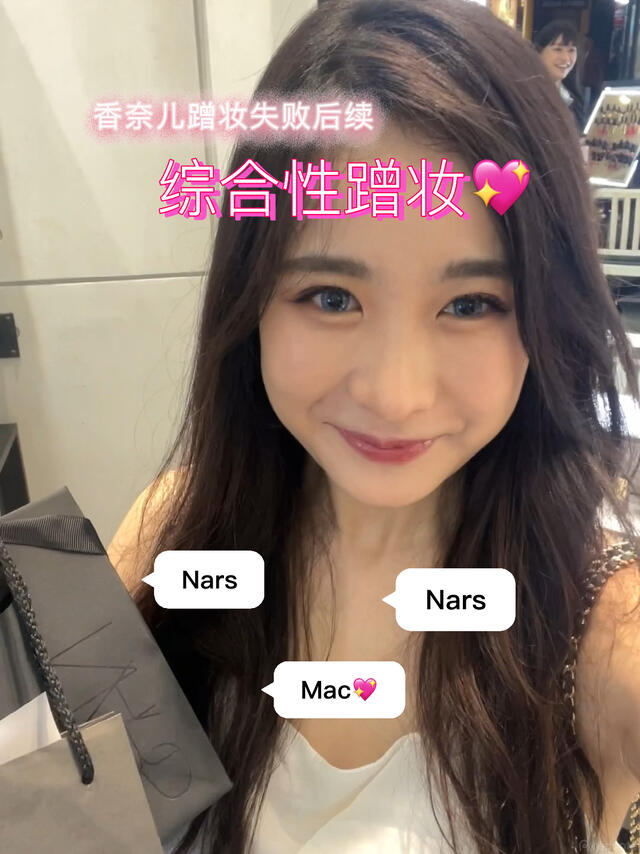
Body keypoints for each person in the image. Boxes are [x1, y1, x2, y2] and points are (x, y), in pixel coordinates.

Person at [107, 1, 640, 852]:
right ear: (251, 303)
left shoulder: (607, 632)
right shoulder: (172, 534)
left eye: (472, 304)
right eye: (331, 297)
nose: (396, 395)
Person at [533, 20, 587, 135]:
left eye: (571, 50)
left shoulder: (574, 99)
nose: (566, 59)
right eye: (558, 49)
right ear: (538, 51)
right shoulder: (527, 95)